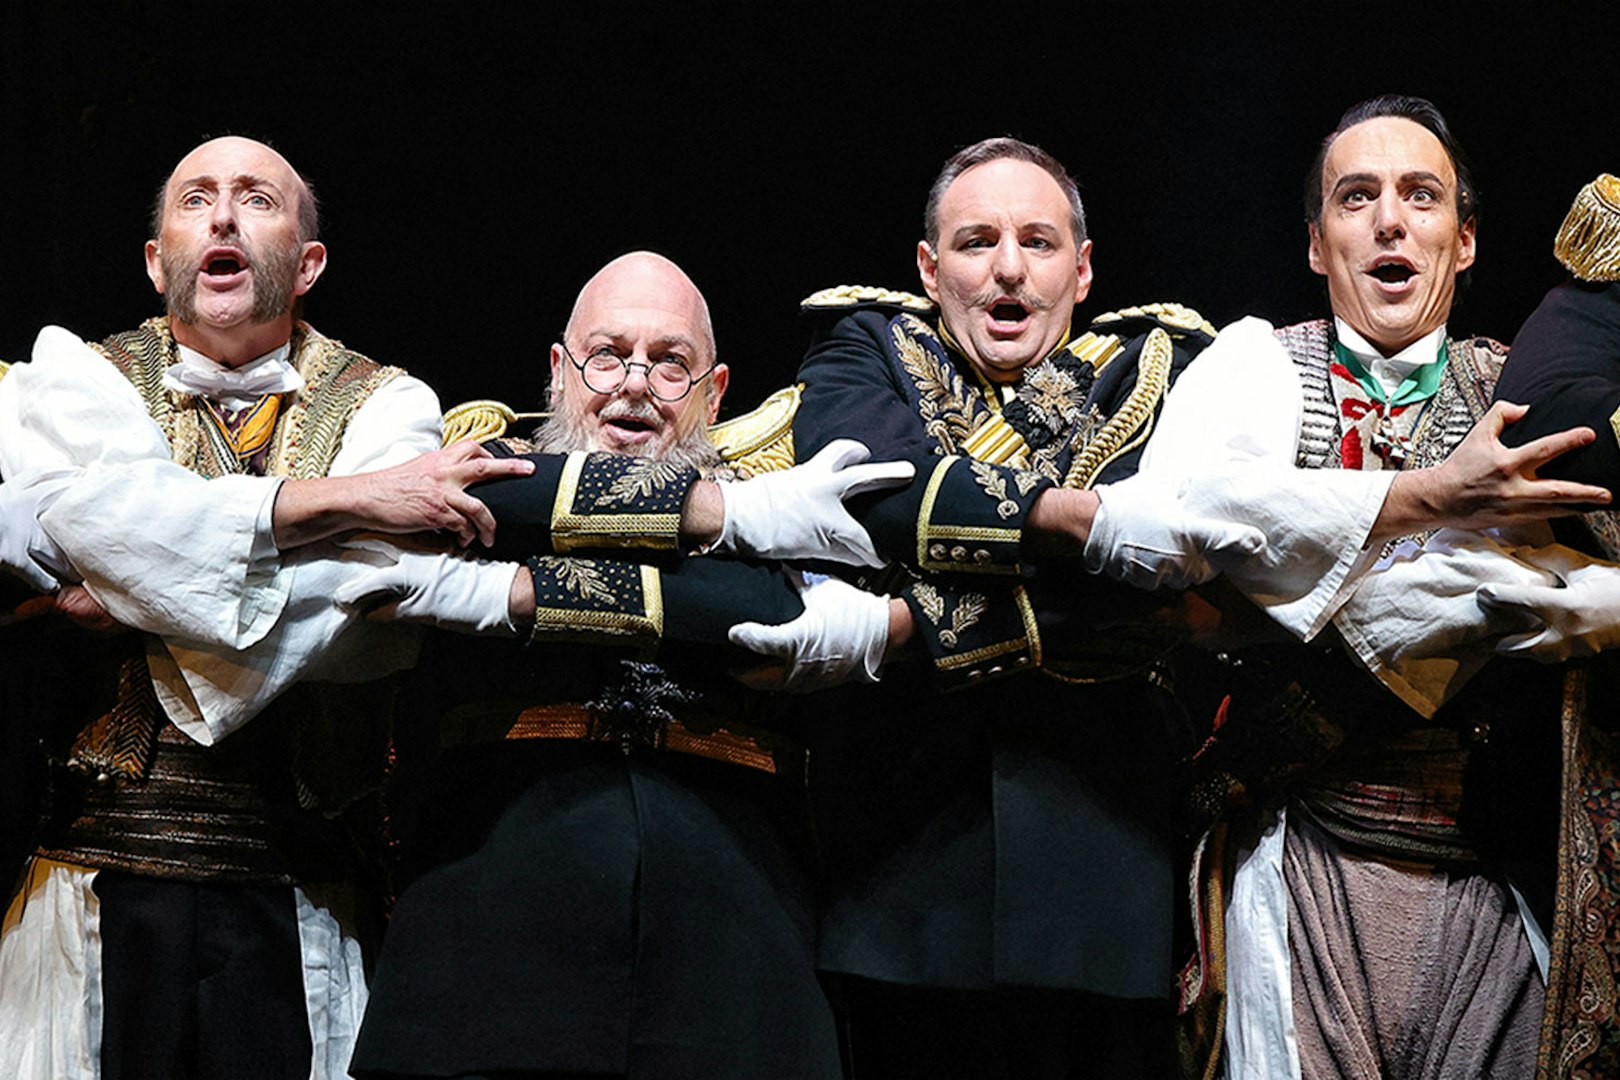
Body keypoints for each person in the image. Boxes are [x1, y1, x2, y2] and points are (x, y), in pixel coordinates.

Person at [0, 135, 538, 1080]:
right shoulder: (72, 376)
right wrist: (355, 502)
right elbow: (80, 524)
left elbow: (367, 618)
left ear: (308, 261)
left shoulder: (388, 403)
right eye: (195, 199)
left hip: (302, 889)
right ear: (157, 257)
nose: (221, 216)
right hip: (93, 877)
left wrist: (131, 581)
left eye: (255, 198)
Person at [344, 251, 909, 1080]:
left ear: (716, 394)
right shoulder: (481, 479)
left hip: (736, 941)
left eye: (670, 362)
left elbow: (764, 611)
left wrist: (515, 592)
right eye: (607, 355)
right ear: (558, 372)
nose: (634, 383)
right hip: (493, 933)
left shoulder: (785, 513)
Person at [788, 136, 1268, 1080]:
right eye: (976, 243)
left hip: (1106, 876)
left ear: (1082, 270)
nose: (1009, 268)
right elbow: (872, 495)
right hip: (898, 880)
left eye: (1039, 243)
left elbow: (1178, 550)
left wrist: (928, 584)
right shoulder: (862, 347)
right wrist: (1082, 525)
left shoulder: (1161, 368)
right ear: (930, 269)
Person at [1167, 97, 1616, 1080]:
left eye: (1421, 196)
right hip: (1310, 851)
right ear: (1320, 244)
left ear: (1461, 243)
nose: (1389, 220)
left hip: (1496, 876)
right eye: (1356, 196)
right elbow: (1184, 529)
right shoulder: (1254, 374)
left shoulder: (1530, 390)